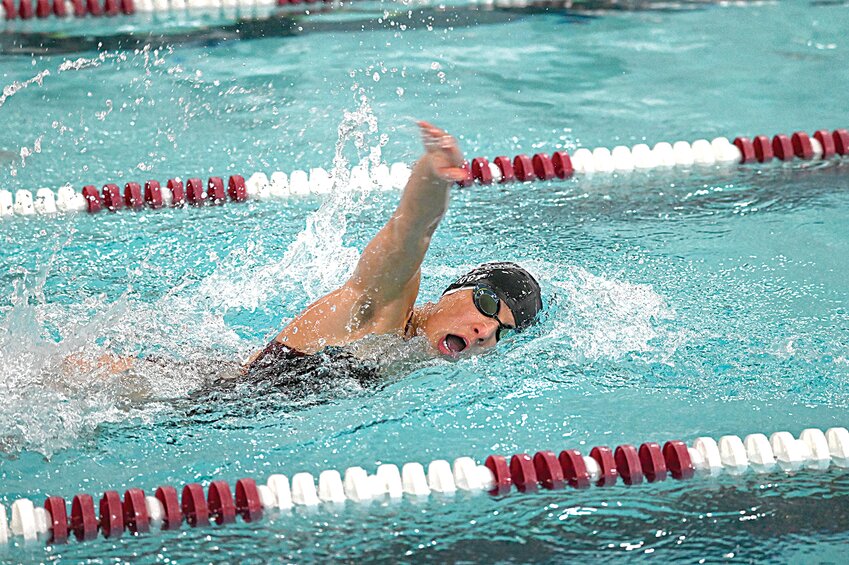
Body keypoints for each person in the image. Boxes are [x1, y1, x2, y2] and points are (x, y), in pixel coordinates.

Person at [245, 121, 543, 382]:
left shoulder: (405, 356)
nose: (486, 331)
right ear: (454, 291)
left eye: (502, 332)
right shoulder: (381, 308)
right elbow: (410, 233)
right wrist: (433, 176)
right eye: (488, 305)